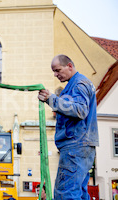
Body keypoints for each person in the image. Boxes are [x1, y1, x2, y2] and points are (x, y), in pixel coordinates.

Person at [38, 54, 99, 199]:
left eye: (58, 70)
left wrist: (51, 99)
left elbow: (80, 110)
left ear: (69, 66)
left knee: (66, 193)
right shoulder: (79, 83)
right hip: (81, 146)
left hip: (75, 146)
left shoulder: (78, 84)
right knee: (79, 192)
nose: (55, 74)